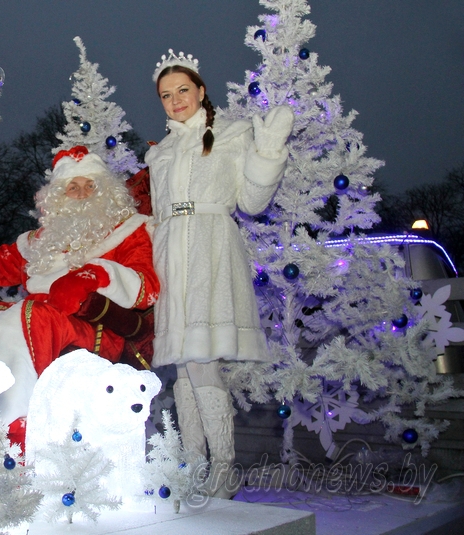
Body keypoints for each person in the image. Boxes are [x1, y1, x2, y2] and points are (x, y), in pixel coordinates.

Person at [146, 50, 294, 498]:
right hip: (170, 252)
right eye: (166, 96)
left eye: (183, 91)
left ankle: (224, 467)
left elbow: (251, 201)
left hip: (210, 249)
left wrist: (267, 152)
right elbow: (156, 211)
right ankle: (193, 464)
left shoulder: (230, 134)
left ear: (201, 90)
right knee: (184, 367)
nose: (175, 102)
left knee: (201, 360)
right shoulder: (162, 151)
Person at [0, 146, 159, 447]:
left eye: (89, 186)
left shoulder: (129, 231)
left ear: (106, 192)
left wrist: (97, 275)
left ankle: (13, 429)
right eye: (72, 186)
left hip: (96, 325)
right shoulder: (39, 242)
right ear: (58, 195)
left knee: (32, 316)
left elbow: (147, 287)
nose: (81, 193)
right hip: (37, 316)